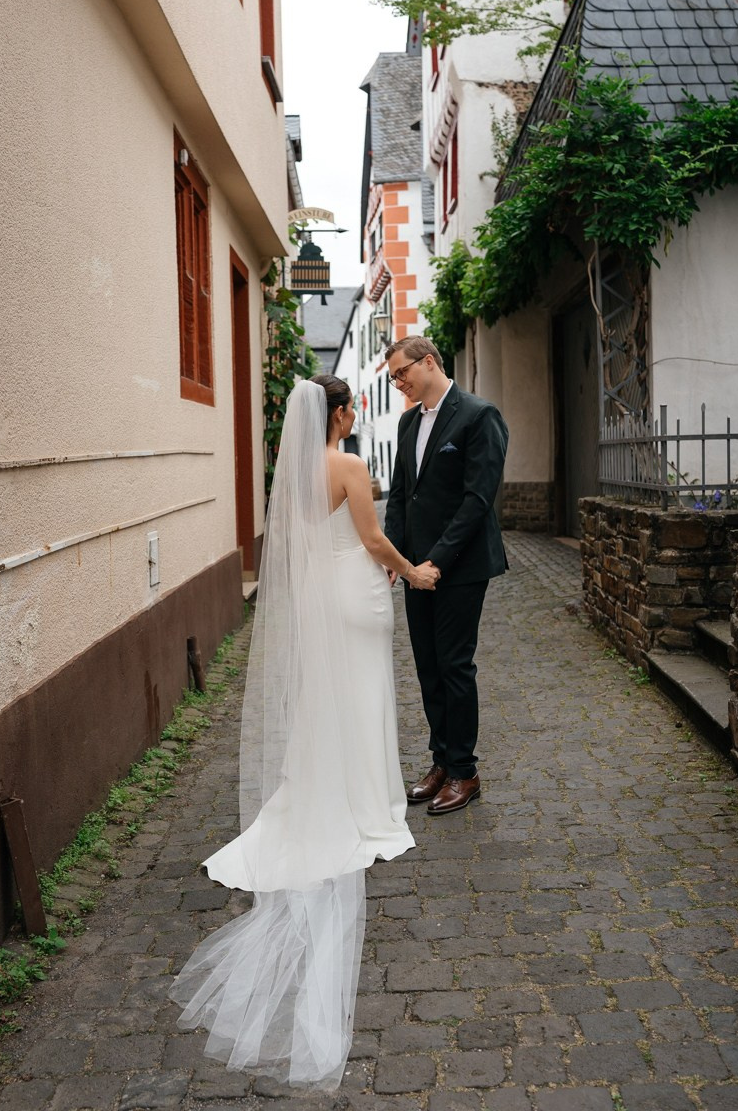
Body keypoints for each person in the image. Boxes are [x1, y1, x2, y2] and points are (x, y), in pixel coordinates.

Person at [170, 376, 429, 1090]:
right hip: (355, 591)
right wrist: (416, 572)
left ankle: (327, 784)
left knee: (326, 697)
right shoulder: (348, 466)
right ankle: (368, 799)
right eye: (352, 409)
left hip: (319, 595)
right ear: (341, 413)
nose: (354, 417)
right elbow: (373, 538)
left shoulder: (292, 474)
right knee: (367, 694)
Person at [384, 336, 509, 816]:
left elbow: (478, 499)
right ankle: (440, 762)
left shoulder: (479, 416)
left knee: (456, 666)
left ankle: (464, 772)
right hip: (415, 567)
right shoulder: (407, 422)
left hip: (459, 567)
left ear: (429, 362)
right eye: (394, 377)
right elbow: (401, 496)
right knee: (428, 667)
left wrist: (437, 559)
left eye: (401, 373)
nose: (398, 383)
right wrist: (397, 559)